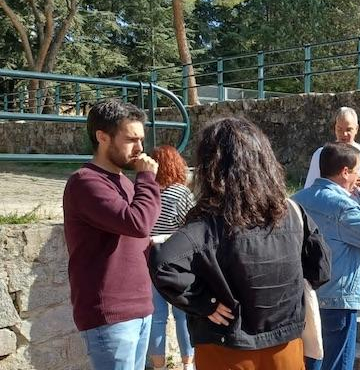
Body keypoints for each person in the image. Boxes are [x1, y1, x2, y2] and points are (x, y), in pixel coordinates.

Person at [149, 118, 331, 370]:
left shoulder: (208, 222)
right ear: (264, 160)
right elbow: (321, 268)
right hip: (284, 347)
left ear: (210, 167)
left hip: (226, 349)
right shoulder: (291, 212)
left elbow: (163, 262)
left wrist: (204, 302)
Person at [62, 100, 161, 370]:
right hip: (110, 315)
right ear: (102, 137)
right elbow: (138, 223)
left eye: (141, 139)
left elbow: (143, 228)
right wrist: (148, 180)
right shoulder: (85, 182)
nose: (140, 149)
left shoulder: (126, 182)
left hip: (140, 308)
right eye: (131, 139)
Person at [293, 142, 360, 370]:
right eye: (358, 170)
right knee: (337, 363)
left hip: (303, 295)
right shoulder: (344, 206)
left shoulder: (297, 200)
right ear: (345, 172)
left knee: (309, 360)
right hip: (337, 298)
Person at [148, 145, 195, 370]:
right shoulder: (181, 192)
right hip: (178, 263)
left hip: (150, 261)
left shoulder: (147, 192)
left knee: (157, 319)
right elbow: (193, 227)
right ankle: (187, 365)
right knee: (182, 317)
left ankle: (158, 367)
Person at [305, 107, 360, 200]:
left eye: (349, 129)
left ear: (356, 129)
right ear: (335, 128)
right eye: (339, 129)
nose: (344, 134)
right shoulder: (321, 154)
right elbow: (309, 186)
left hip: (356, 209)